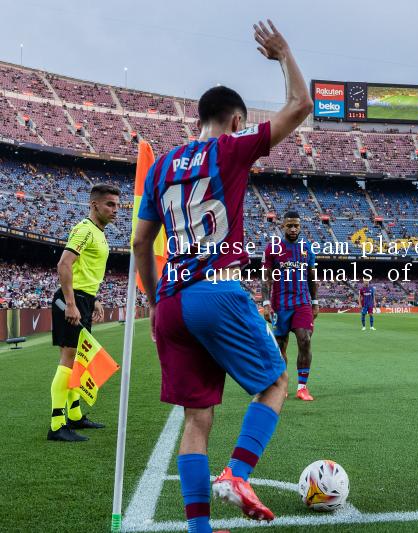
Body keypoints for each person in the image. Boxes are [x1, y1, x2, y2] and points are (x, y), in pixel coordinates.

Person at [133, 20, 312, 530]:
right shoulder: (230, 149)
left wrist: (151, 300)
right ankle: (237, 472)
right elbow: (300, 105)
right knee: (276, 381)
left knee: (197, 417)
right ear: (235, 120)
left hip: (170, 301)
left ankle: (199, 528)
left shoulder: (163, 165)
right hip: (215, 289)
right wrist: (283, 54)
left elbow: (142, 242)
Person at [48, 183, 119, 442]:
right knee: (68, 360)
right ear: (94, 204)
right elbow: (64, 264)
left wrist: (94, 299)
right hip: (73, 300)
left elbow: (85, 271)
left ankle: (75, 415)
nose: (115, 210)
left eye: (117, 206)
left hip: (84, 299)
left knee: (80, 359)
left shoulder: (99, 233)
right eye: (110, 204)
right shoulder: (84, 230)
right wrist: (70, 302)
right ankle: (57, 424)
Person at [262, 211, 318, 401]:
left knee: (305, 340)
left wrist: (315, 302)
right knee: (280, 346)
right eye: (289, 225)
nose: (293, 229)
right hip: (280, 304)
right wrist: (266, 303)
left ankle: (302, 387)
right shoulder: (273, 248)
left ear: (300, 226)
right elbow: (266, 278)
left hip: (302, 302)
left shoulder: (307, 247)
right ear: (283, 226)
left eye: (296, 225)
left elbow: (312, 277)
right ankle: (282, 385)